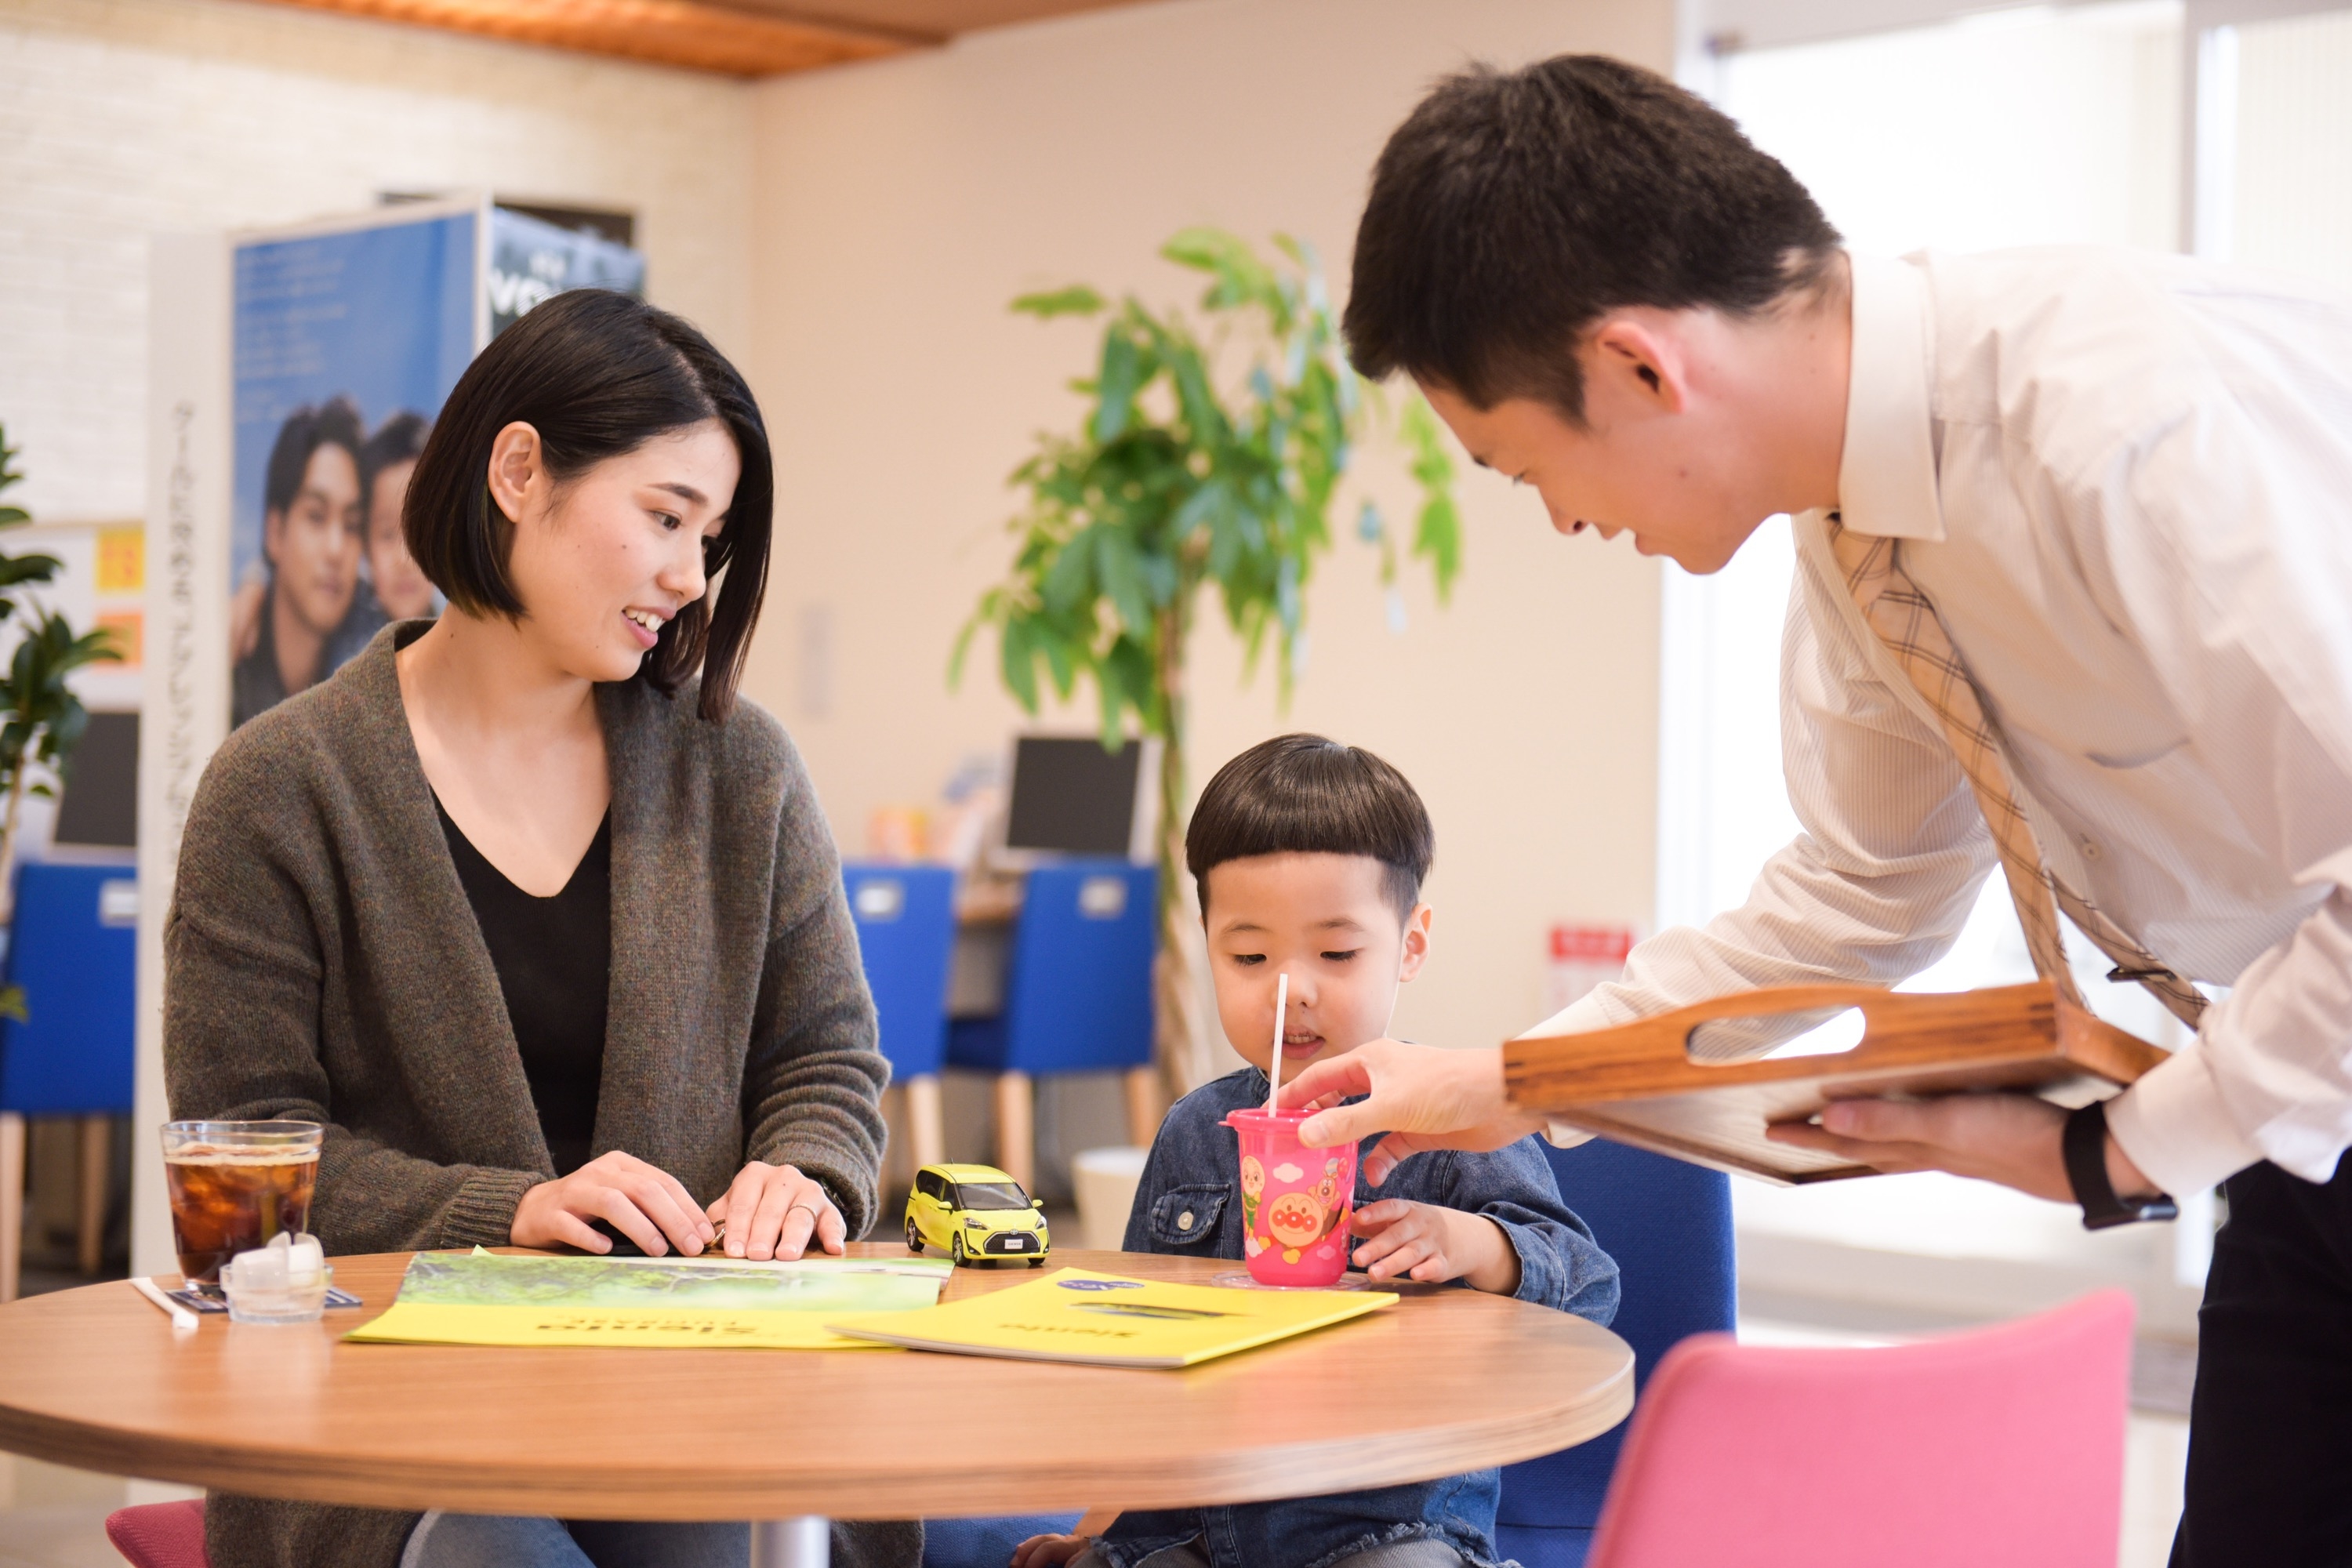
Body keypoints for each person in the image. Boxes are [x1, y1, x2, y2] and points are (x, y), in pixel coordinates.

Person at [1283, 55, 2352, 1566]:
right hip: (2308, 1108)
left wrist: (2112, 1152)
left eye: (1528, 470)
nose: (1567, 521)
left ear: (1642, 368)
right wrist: (1518, 1075)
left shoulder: (2111, 421)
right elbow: (1859, 892)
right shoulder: (1858, 540)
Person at [166, 290, 916, 1568]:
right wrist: (501, 1211)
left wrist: (807, 1172)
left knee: (741, 1534)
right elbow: (243, 1181)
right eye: (665, 518)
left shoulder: (740, 772)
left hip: (696, 1398)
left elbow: (827, 1063)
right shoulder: (282, 788)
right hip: (391, 1422)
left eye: (712, 536)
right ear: (519, 472)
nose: (691, 578)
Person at [1014, 734, 1618, 1568]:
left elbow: (1589, 1285)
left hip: (1389, 1535)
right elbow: (1142, 1364)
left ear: (1410, 943)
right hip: (1201, 1536)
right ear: (1205, 941)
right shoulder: (1197, 1129)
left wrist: (1474, 1243)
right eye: (1249, 954)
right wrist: (1095, 1529)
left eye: (1337, 952)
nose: (1289, 987)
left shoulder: (1445, 1118)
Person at [230, 396, 366, 727]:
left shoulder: (372, 648)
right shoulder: (230, 666)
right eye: (317, 517)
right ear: (275, 533)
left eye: (351, 525)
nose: (337, 550)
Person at [358, 408, 442, 625]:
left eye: (419, 530)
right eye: (387, 535)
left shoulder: (462, 635)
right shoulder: (344, 646)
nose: (404, 559)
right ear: (365, 546)